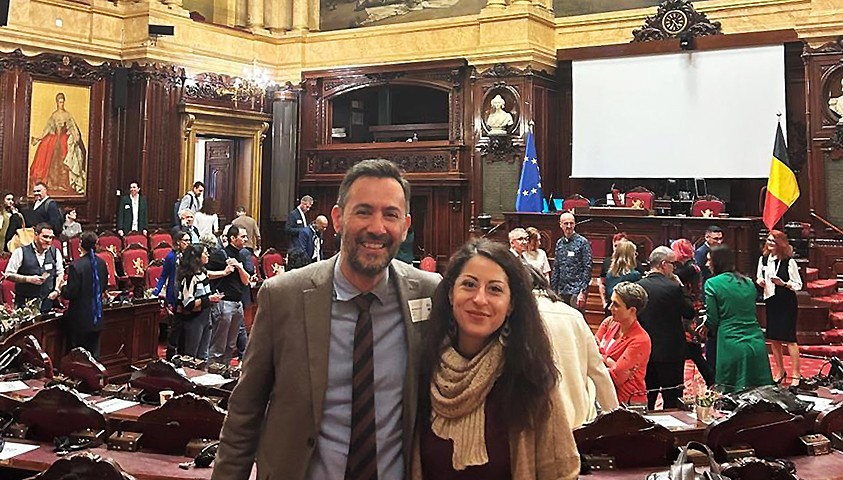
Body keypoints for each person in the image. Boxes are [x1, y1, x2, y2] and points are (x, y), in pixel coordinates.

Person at [212, 159, 441, 480]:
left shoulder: (431, 295)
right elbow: (245, 412)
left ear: (405, 226)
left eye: (390, 214)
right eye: (363, 211)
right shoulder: (283, 296)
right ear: (337, 218)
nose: (377, 227)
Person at [413, 239, 579, 479]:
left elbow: (562, 471)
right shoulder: (423, 369)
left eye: (495, 289)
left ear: (510, 305)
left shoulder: (531, 378)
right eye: (469, 285)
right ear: (451, 294)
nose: (480, 299)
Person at [529, 267, 618, 428]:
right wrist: (615, 419)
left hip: (535, 424)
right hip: (577, 420)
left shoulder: (518, 316)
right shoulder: (574, 315)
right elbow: (598, 372)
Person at [707, 245, 775, 392]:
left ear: (716, 262)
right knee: (761, 393)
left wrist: (705, 330)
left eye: (709, 260)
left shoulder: (712, 283)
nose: (707, 264)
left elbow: (712, 318)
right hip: (756, 340)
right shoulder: (748, 282)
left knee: (730, 394)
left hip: (730, 341)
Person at [637, 246, 695, 410]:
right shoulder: (673, 287)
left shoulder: (638, 286)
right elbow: (689, 312)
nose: (674, 268)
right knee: (672, 401)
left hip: (645, 351)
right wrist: (681, 287)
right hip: (671, 352)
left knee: (646, 398)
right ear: (663, 264)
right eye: (672, 264)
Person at [757, 230, 803, 385]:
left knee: (790, 338)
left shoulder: (789, 261)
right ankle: (780, 371)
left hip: (786, 301)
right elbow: (759, 276)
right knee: (774, 338)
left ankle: (796, 375)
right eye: (769, 240)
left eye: (773, 241)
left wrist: (783, 284)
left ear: (780, 243)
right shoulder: (763, 259)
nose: (770, 243)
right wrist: (760, 281)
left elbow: (798, 284)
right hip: (771, 300)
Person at [595, 281, 652, 405]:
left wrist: (601, 358)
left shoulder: (640, 340)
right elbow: (592, 352)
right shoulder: (609, 323)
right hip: (606, 397)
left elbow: (617, 377)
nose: (610, 308)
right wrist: (609, 361)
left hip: (628, 403)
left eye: (616, 305)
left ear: (632, 310)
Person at [672, 238, 715, 387]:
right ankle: (710, 380)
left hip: (690, 312)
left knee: (693, 351)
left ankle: (711, 380)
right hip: (693, 308)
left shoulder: (689, 269)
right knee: (692, 351)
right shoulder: (693, 266)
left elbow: (674, 278)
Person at [207, 225, 251, 366]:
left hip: (238, 304)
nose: (246, 239)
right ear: (233, 238)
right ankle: (212, 372)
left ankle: (224, 371)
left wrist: (239, 267)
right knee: (218, 344)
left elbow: (246, 281)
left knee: (231, 345)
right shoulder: (220, 254)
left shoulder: (242, 255)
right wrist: (224, 272)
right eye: (242, 236)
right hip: (224, 303)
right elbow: (205, 274)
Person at [60, 231, 108, 357]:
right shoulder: (102, 263)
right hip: (97, 317)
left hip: (80, 319)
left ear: (80, 245)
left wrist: (62, 287)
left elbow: (71, 293)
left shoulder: (76, 266)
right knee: (94, 356)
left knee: (79, 356)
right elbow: (103, 287)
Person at [29, 92, 86, 195]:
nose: (61, 104)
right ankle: (52, 184)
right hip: (55, 141)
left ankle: (65, 185)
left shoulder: (67, 115)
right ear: (57, 103)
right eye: (60, 102)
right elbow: (48, 128)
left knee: (64, 161)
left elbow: (72, 127)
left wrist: (75, 136)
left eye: (62, 102)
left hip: (63, 140)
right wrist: (40, 138)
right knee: (51, 161)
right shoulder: (54, 115)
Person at [176, 244, 224, 360]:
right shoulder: (190, 278)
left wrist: (212, 298)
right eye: (205, 253)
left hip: (206, 316)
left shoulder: (202, 274)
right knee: (191, 355)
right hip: (193, 319)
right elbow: (188, 304)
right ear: (197, 257)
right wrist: (208, 299)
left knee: (203, 355)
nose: (208, 255)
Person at [4, 223, 64, 313]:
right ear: (35, 235)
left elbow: (60, 274)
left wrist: (56, 291)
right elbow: (8, 275)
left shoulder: (55, 252)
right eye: (45, 237)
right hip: (25, 304)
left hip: (47, 302)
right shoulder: (20, 252)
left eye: (51, 237)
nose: (48, 240)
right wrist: (28, 279)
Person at [154, 228, 191, 359]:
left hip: (187, 294)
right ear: (178, 242)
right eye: (186, 240)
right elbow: (164, 276)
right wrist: (155, 292)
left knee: (185, 328)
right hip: (174, 294)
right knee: (175, 326)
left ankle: (183, 353)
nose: (188, 243)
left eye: (189, 240)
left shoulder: (190, 256)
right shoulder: (171, 256)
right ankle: (170, 355)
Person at [550, 211, 592, 311]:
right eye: (566, 223)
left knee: (577, 320)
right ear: (560, 225)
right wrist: (553, 290)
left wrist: (583, 291)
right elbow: (556, 267)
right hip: (562, 290)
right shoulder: (559, 243)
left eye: (571, 223)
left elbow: (588, 267)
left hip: (576, 290)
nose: (569, 226)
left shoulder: (582, 242)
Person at [604, 239, 642, 316]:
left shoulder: (610, 273)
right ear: (630, 256)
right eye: (635, 254)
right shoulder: (634, 275)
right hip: (624, 312)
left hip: (611, 308)